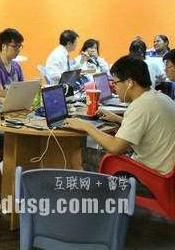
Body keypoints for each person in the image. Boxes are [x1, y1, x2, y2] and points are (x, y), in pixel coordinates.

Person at [65, 55, 175, 196]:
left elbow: (115, 147)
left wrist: (85, 125)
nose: (115, 88)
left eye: (116, 83)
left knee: (78, 155)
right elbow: (147, 127)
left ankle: (88, 205)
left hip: (151, 180)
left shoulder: (140, 106)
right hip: (166, 176)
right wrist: (117, 119)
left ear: (129, 83)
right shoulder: (159, 98)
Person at [0, 28, 25, 97]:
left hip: (13, 101)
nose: (18, 50)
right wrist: (20, 94)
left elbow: (22, 88)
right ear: (4, 47)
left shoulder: (17, 66)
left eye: (20, 46)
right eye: (15, 46)